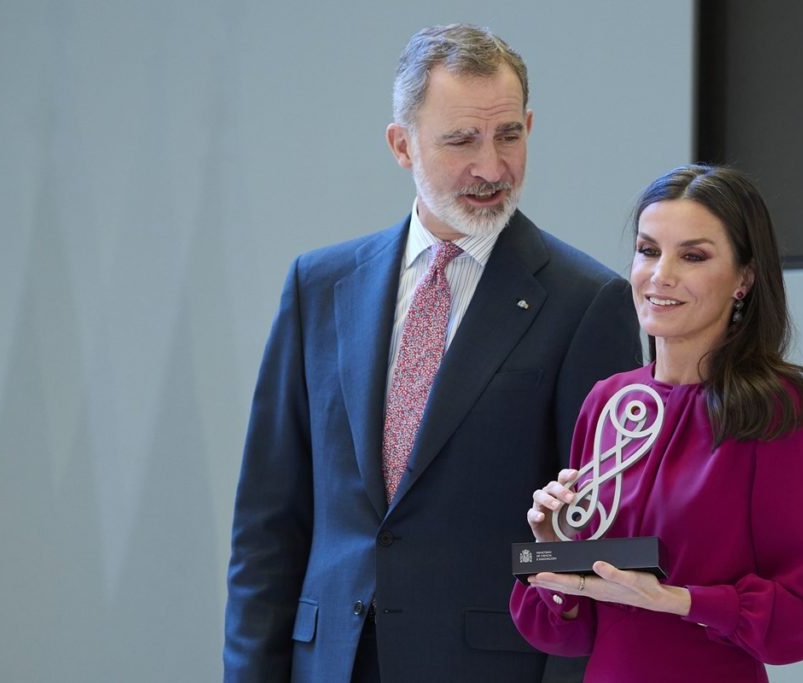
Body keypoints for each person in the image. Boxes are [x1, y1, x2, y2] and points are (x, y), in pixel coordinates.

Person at [222, 23, 642, 683]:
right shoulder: (319, 287)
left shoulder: (588, 302)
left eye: (509, 134)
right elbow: (268, 524)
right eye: (460, 140)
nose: (491, 167)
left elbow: (600, 545)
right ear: (401, 144)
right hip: (328, 662)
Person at [510, 164, 803, 682]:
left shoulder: (774, 408)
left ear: (745, 278)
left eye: (692, 256)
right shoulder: (608, 401)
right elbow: (562, 632)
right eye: (648, 250)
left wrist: (678, 601)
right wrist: (553, 547)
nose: (660, 275)